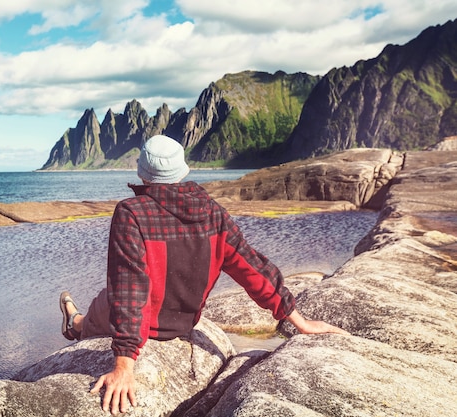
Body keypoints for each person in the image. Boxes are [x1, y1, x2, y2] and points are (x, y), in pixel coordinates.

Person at [59, 134, 349, 415]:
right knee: (109, 299)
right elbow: (253, 268)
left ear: (143, 173)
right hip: (183, 324)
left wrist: (124, 366)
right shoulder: (213, 212)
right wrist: (299, 320)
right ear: (182, 170)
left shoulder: (131, 213)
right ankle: (76, 318)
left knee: (104, 303)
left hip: (144, 326)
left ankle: (74, 323)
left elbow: (129, 288)